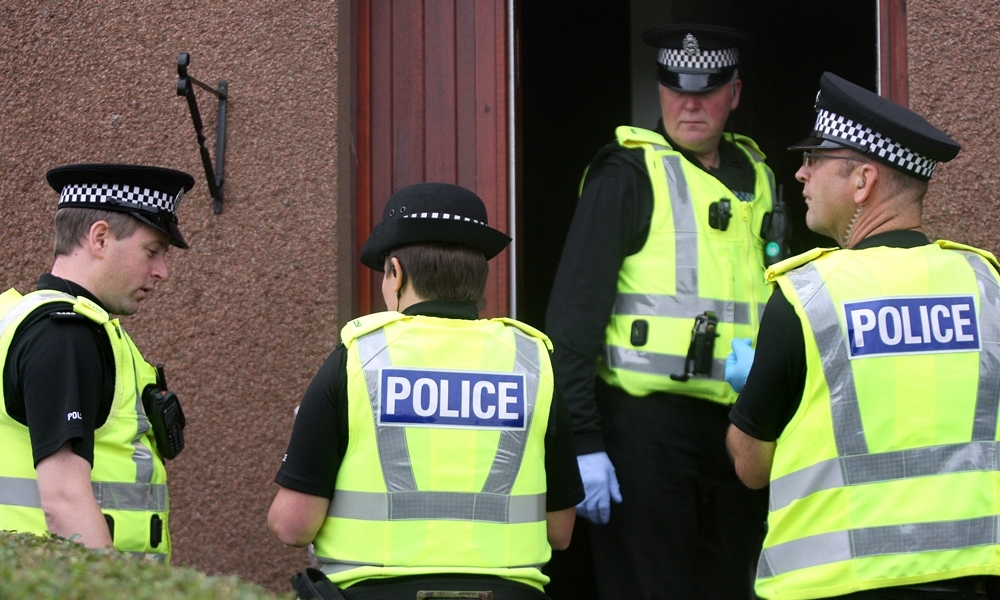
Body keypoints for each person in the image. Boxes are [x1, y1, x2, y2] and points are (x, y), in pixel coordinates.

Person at [727, 72, 1000, 599]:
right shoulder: (986, 286)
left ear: (863, 181)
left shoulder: (807, 296)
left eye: (815, 160)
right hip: (968, 577)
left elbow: (750, 466)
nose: (800, 175)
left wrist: (747, 390)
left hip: (835, 583)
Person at [545, 23, 776, 599]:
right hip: (645, 434)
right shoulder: (626, 174)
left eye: (707, 89)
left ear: (735, 94)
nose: (690, 103)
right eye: (676, 88)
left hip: (738, 432)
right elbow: (572, 323)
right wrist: (584, 443)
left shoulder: (763, 178)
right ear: (661, 91)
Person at [268, 182, 584, 600]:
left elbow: (293, 525)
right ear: (479, 278)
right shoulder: (532, 363)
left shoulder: (358, 358)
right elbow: (560, 533)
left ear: (396, 273)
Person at [0, 164, 193, 562]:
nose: (162, 272)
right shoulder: (65, 333)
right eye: (152, 251)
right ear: (100, 238)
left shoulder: (24, 317)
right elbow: (65, 497)